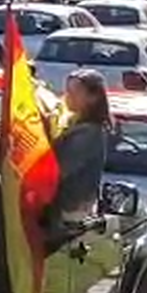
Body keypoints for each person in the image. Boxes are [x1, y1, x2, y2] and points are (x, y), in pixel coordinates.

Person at [51, 69, 111, 222]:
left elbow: (58, 170)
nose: (68, 96)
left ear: (93, 97)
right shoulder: (72, 122)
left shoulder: (88, 134)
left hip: (71, 213)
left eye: (75, 91)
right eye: (67, 90)